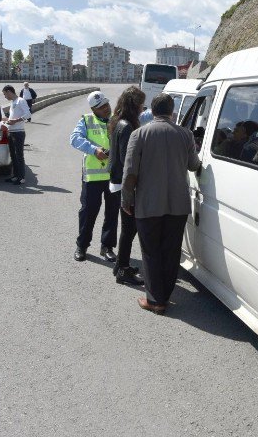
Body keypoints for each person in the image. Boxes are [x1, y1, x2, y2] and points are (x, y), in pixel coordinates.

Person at [122, 94, 201, 313]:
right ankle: (165, 295)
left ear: (152, 112)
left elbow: (130, 173)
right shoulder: (185, 134)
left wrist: (127, 199)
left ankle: (155, 300)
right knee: (171, 250)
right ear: (172, 111)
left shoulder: (139, 134)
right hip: (178, 204)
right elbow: (194, 165)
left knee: (150, 251)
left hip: (148, 204)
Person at [70, 91, 118, 262]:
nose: (106, 108)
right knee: (88, 212)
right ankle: (82, 246)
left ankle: (107, 247)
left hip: (114, 175)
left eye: (106, 104)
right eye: (101, 107)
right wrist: (94, 150)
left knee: (112, 213)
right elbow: (74, 138)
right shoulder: (86, 120)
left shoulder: (116, 119)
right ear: (93, 109)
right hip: (93, 178)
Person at [108, 87, 146, 286]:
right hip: (124, 185)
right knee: (129, 229)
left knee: (127, 228)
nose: (142, 108)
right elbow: (126, 160)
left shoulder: (117, 122)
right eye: (140, 103)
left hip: (117, 182)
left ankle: (120, 266)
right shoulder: (127, 126)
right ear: (134, 105)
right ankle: (123, 270)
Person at [2, 84, 29, 184]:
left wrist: (15, 121)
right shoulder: (13, 102)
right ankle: (15, 175)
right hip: (11, 132)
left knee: (19, 156)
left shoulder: (21, 101)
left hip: (18, 133)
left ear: (9, 92)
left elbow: (28, 114)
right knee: (13, 156)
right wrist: (6, 120)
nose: (5, 97)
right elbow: (12, 118)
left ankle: (21, 177)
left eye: (5, 94)